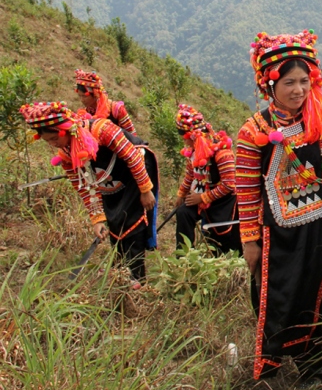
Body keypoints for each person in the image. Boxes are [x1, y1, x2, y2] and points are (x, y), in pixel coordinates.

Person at [235, 29, 322, 389]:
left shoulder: (319, 121)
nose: (298, 90)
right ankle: (313, 374)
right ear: (269, 84)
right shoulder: (254, 132)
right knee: (292, 304)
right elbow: (247, 191)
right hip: (281, 237)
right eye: (289, 82)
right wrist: (250, 241)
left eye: (304, 81)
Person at [20, 101, 159, 286]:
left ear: (64, 130)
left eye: (54, 139)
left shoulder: (103, 129)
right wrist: (97, 218)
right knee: (114, 221)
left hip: (136, 172)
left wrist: (145, 190)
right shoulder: (66, 154)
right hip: (109, 180)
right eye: (48, 142)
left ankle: (137, 279)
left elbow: (132, 156)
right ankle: (121, 271)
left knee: (131, 221)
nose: (54, 145)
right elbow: (84, 187)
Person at [173, 103, 241, 255]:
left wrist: (203, 197)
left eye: (185, 138)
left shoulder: (222, 152)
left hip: (223, 202)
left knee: (220, 238)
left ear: (192, 135)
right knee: (183, 213)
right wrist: (181, 194)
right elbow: (191, 174)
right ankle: (184, 257)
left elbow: (229, 184)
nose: (185, 142)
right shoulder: (193, 152)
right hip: (200, 198)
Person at [74, 69, 139, 136]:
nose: (82, 100)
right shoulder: (85, 114)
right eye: (80, 96)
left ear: (95, 94)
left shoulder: (116, 109)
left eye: (84, 96)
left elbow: (132, 134)